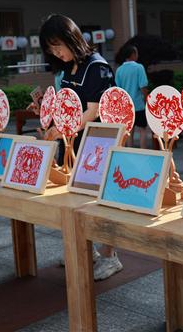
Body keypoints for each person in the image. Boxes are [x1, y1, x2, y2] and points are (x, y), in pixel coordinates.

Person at [39, 14, 121, 281]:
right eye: (51, 49)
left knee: (101, 201)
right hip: (73, 142)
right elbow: (67, 106)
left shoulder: (97, 67)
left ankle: (110, 256)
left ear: (72, 38)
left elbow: (94, 111)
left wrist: (62, 127)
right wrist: (47, 113)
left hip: (98, 144)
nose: (57, 53)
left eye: (58, 45)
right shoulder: (69, 68)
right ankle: (86, 249)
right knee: (74, 198)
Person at [115, 44, 149, 149]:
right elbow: (143, 86)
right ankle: (143, 151)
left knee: (129, 130)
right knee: (143, 129)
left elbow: (118, 90)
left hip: (126, 106)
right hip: (138, 104)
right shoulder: (139, 67)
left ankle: (130, 150)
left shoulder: (119, 70)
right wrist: (146, 99)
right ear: (133, 54)